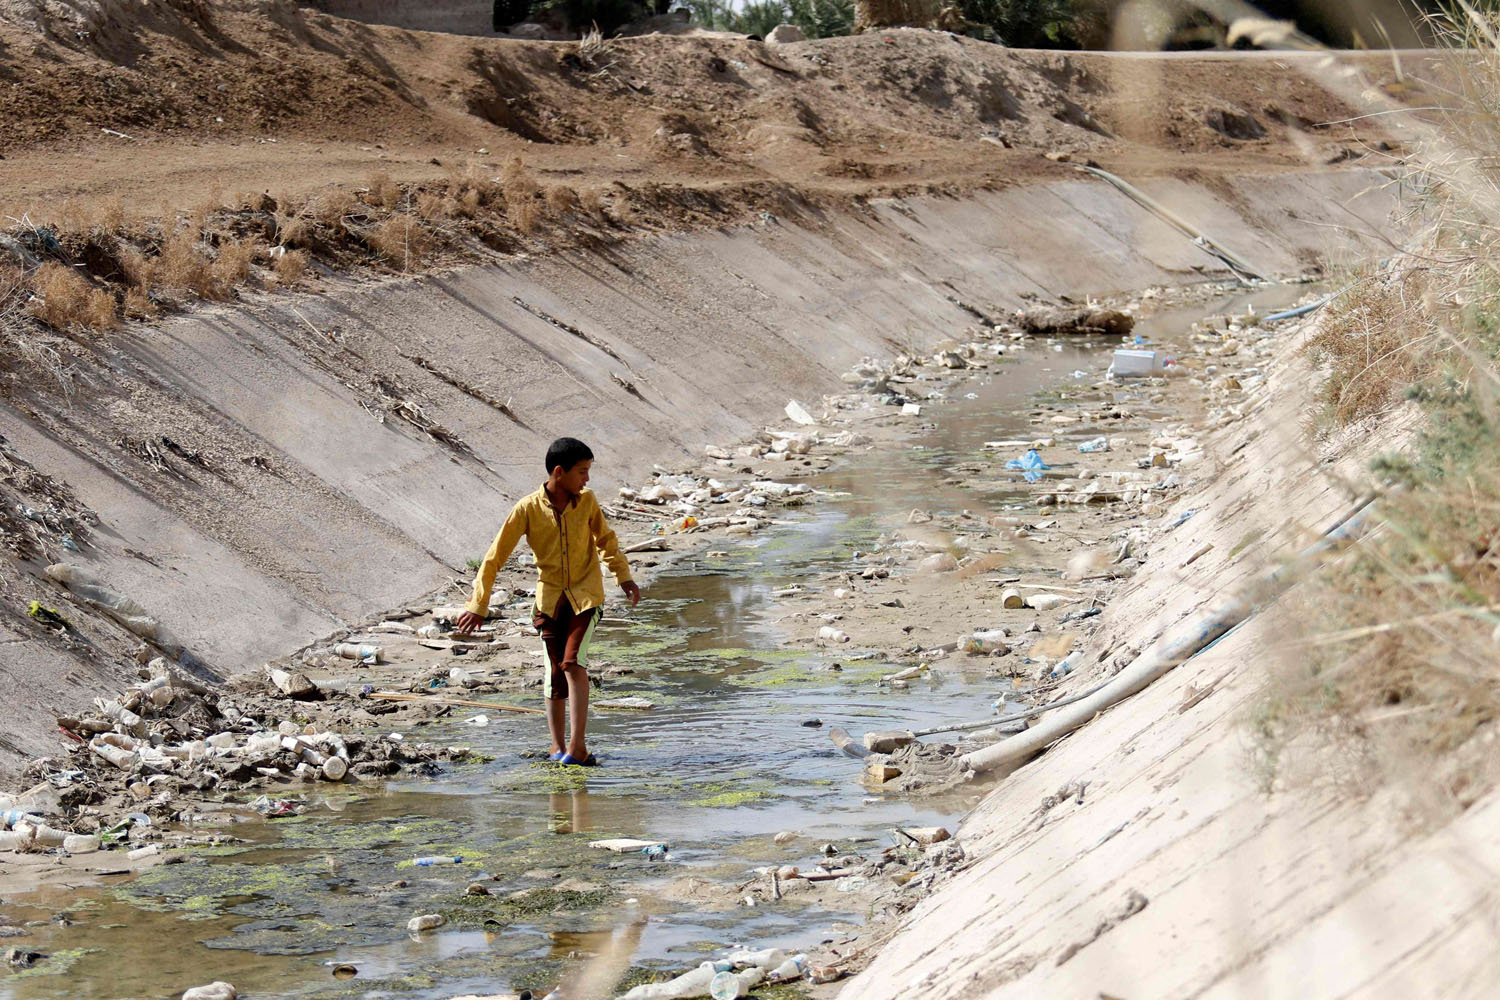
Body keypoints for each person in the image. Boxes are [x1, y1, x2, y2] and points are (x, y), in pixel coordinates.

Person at [455, 437, 640, 765]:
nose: (587, 479)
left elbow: (606, 541)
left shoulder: (588, 502)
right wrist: (478, 604)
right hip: (550, 600)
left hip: (586, 598)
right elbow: (494, 557)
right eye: (582, 472)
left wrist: (623, 576)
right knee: (554, 672)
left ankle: (577, 745)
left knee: (572, 662)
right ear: (559, 472)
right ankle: (557, 748)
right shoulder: (526, 509)